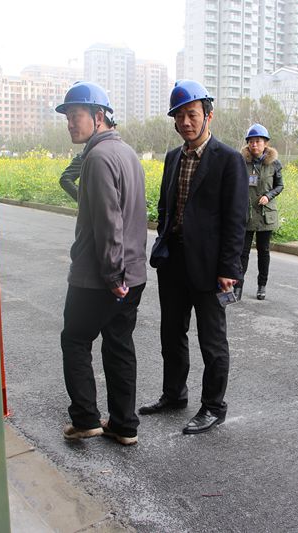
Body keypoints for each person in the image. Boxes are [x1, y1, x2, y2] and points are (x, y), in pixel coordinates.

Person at [139, 80, 247, 435]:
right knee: (171, 333)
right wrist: (163, 239)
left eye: (192, 114)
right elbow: (165, 206)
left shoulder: (228, 159)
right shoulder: (173, 157)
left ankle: (213, 406)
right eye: (179, 116)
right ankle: (174, 394)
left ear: (208, 116)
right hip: (174, 261)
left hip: (211, 267)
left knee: (212, 341)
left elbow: (236, 220)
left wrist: (230, 269)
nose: (185, 122)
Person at [55, 81, 148, 446]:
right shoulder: (128, 153)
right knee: (119, 344)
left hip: (99, 278)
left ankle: (85, 419)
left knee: (75, 340)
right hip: (133, 274)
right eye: (67, 117)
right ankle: (124, 425)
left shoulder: (96, 158)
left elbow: (110, 222)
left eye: (75, 115)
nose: (69, 123)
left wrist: (112, 275)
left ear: (98, 116)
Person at [237, 123, 284, 301]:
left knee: (263, 251)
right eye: (251, 141)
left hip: (265, 213)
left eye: (258, 141)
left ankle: (261, 286)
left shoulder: (274, 163)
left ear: (265, 143)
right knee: (242, 252)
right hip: (247, 213)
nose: (254, 144)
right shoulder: (241, 162)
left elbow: (280, 185)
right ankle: (238, 287)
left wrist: (268, 196)